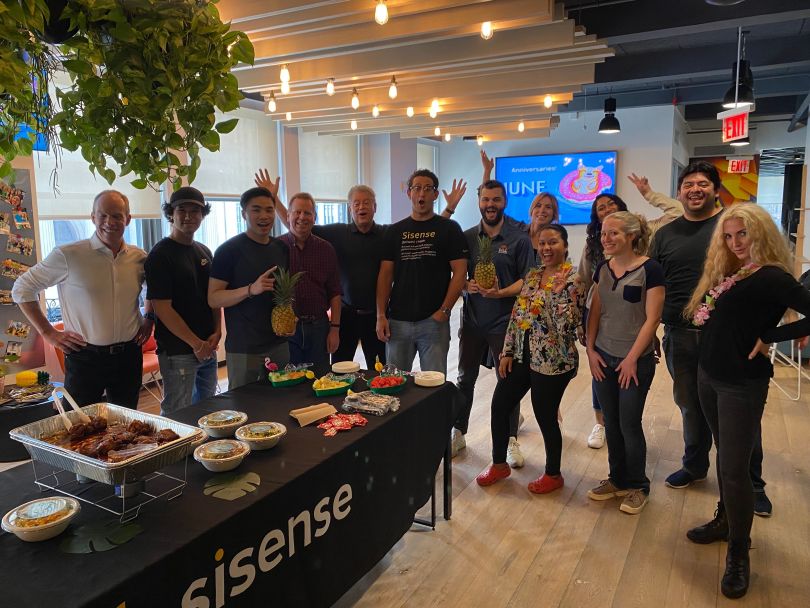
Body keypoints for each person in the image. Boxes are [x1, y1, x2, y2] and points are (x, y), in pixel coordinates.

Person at [683, 203, 810, 599]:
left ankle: (740, 550)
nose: (736, 242)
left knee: (735, 468)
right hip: (710, 376)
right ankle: (726, 521)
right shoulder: (734, 272)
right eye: (729, 235)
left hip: (741, 383)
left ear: (761, 234)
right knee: (726, 458)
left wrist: (770, 338)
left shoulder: (772, 276)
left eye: (743, 235)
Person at [649, 161, 771, 516]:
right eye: (688, 184)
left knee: (740, 414)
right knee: (689, 404)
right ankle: (695, 464)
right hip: (679, 334)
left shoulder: (733, 229)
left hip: (731, 338)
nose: (695, 189)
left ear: (716, 190)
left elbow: (762, 275)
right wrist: (653, 328)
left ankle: (752, 484)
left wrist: (766, 330)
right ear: (679, 192)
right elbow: (655, 285)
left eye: (703, 183)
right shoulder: (665, 234)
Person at [256, 170, 466, 371]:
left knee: (382, 372)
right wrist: (274, 200)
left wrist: (448, 210)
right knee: (340, 372)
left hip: (377, 317)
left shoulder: (387, 233)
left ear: (375, 207)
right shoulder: (337, 233)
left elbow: (425, 232)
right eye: (356, 203)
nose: (361, 207)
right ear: (350, 208)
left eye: (366, 202)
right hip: (346, 316)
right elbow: (299, 225)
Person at [12, 190, 153, 408]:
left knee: (127, 426)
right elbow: (21, 288)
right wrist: (48, 332)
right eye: (103, 215)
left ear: (128, 219)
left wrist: (149, 318)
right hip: (85, 357)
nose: (109, 222)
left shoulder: (139, 258)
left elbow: (153, 288)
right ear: (93, 217)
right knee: (79, 426)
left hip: (128, 356)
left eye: (116, 215)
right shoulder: (69, 255)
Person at [475, 224, 583, 493]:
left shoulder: (573, 280)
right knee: (500, 405)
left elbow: (568, 327)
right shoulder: (533, 276)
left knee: (545, 415)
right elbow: (518, 316)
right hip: (522, 354)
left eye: (553, 243)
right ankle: (499, 464)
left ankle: (553, 474)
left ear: (565, 246)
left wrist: (559, 292)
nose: (546, 248)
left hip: (553, 360)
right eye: (542, 243)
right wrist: (507, 351)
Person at [586, 211, 665, 515]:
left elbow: (652, 319)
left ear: (632, 236)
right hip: (602, 357)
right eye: (604, 233)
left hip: (635, 361)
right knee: (611, 421)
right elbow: (596, 311)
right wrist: (591, 350)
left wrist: (632, 359)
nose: (606, 238)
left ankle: (638, 486)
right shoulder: (603, 269)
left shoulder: (651, 270)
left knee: (630, 423)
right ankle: (617, 478)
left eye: (614, 233)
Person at [452, 179, 535, 466]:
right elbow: (454, 276)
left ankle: (510, 440)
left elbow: (528, 279)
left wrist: (500, 291)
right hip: (473, 321)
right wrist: (466, 285)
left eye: (496, 200)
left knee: (507, 382)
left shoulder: (519, 238)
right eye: (486, 200)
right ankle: (458, 432)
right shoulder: (467, 237)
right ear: (479, 201)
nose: (490, 205)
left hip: (505, 323)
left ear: (504, 201)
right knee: (465, 378)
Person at [376, 169, 468, 375]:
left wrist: (444, 311)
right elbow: (385, 275)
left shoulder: (450, 229)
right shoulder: (394, 232)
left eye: (428, 189)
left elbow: (460, 272)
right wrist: (381, 315)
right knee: (394, 383)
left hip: (433, 323)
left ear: (435, 195)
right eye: (417, 188)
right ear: (409, 193)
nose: (422, 194)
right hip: (397, 322)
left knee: (434, 386)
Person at [145, 186, 221, 415]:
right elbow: (162, 308)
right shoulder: (160, 255)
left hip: (208, 347)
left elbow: (214, 297)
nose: (188, 216)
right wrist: (196, 344)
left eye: (195, 211)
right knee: (178, 414)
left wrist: (217, 332)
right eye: (182, 210)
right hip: (178, 351)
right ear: (171, 214)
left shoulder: (204, 251)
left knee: (208, 410)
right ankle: (176, 453)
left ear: (202, 215)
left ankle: (202, 451)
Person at [208, 187, 289, 390]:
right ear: (244, 213)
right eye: (256, 210)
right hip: (245, 349)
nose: (264, 216)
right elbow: (214, 298)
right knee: (245, 407)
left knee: (282, 402)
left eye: (269, 210)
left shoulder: (281, 248)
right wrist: (251, 289)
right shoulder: (228, 251)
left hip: (279, 344)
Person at [577, 193, 629, 450]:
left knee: (627, 367)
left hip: (629, 314)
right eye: (600, 208)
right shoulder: (591, 245)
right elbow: (582, 279)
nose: (606, 209)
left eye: (611, 205)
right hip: (595, 312)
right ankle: (601, 423)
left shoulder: (637, 239)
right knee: (598, 366)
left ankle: (623, 420)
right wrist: (578, 320)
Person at [278, 193, 342, 375]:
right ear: (288, 215)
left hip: (319, 328)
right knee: (289, 382)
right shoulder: (276, 248)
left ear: (315, 217)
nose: (302, 217)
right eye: (297, 212)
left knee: (320, 381)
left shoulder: (326, 249)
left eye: (307, 213)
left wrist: (335, 329)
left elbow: (335, 292)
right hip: (288, 331)